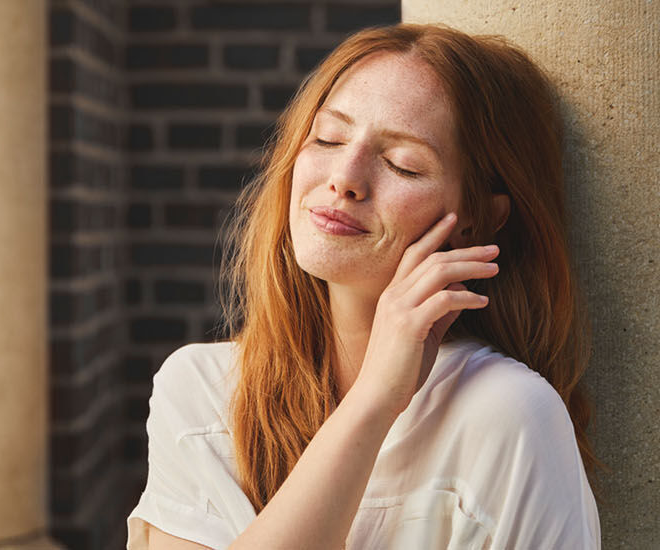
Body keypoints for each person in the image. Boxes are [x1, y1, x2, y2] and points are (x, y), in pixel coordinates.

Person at [126, 23, 601, 550]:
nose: (344, 177)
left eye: (403, 164)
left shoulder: (508, 419)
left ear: (477, 221)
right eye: (327, 137)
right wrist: (373, 400)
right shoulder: (201, 393)